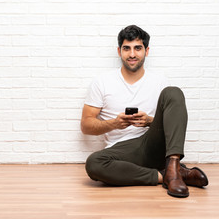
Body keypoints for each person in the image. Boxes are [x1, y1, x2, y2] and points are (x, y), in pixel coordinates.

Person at [81, 25, 208, 198]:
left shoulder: (159, 81)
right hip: (122, 152)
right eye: (127, 48)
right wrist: (115, 124)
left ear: (146, 51)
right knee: (94, 163)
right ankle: (170, 174)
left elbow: (171, 120)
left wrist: (150, 121)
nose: (132, 54)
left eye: (137, 48)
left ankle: (173, 164)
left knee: (174, 92)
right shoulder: (102, 82)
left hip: (152, 145)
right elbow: (86, 126)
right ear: (119, 51)